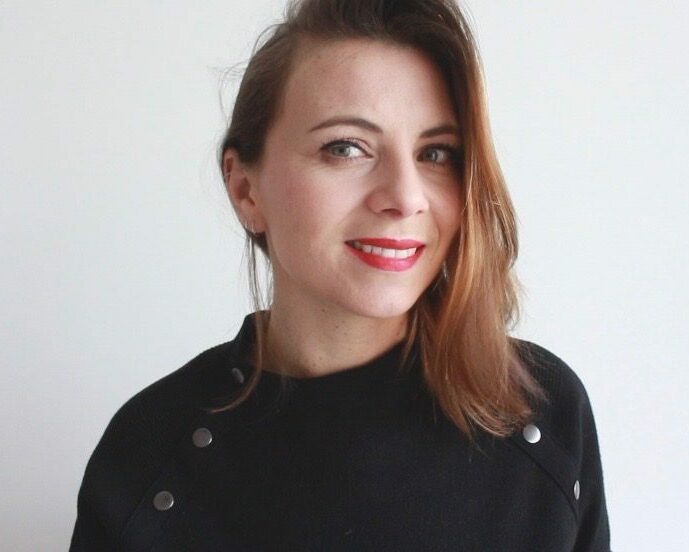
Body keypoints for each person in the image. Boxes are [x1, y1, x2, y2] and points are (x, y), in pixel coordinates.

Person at [70, 0, 611, 550]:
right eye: (347, 148)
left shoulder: (540, 413)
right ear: (246, 189)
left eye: (436, 153)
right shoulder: (149, 452)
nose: (406, 197)